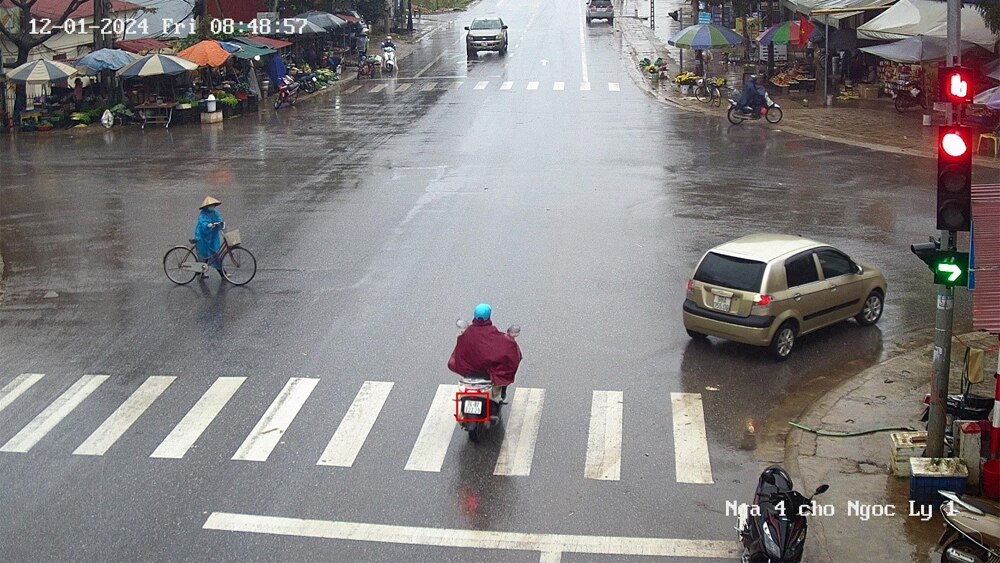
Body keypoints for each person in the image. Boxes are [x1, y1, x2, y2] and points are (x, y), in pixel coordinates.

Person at [448, 303, 522, 403]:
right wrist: (510, 339)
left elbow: (459, 353)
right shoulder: (493, 334)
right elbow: (507, 351)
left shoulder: (467, 333)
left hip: (469, 373)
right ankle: (502, 393)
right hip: (487, 374)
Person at [194, 196, 225, 279]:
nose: (212, 207)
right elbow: (203, 223)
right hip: (203, 237)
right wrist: (208, 225)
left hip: (212, 237)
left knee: (212, 254)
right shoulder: (203, 215)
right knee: (210, 255)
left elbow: (219, 219)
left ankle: (201, 271)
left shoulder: (215, 213)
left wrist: (220, 223)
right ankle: (223, 274)